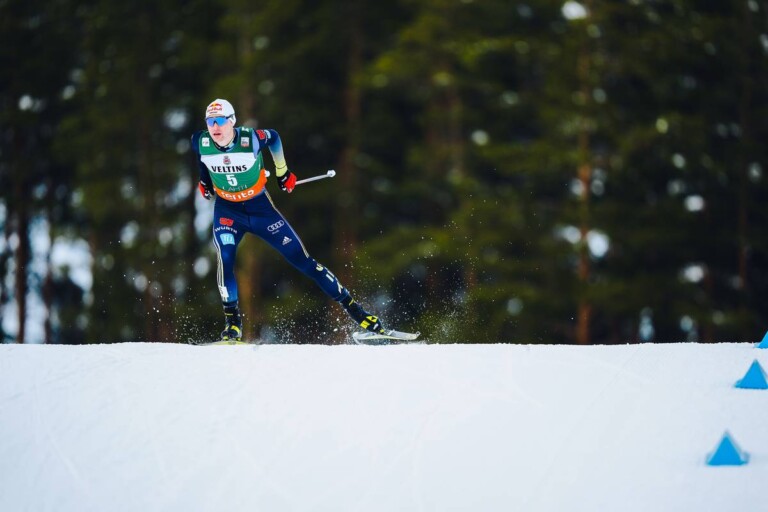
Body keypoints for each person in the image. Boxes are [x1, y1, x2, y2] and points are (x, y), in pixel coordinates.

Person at [191, 99, 385, 341]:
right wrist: (205, 182)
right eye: (210, 121)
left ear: (232, 121)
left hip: (260, 209)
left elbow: (273, 137)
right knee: (226, 256)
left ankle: (359, 314)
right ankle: (233, 325)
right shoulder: (201, 141)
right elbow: (202, 160)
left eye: (220, 121)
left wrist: (282, 172)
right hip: (228, 211)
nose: (214, 127)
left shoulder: (249, 139)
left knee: (302, 260)